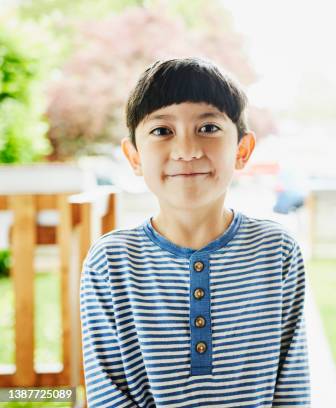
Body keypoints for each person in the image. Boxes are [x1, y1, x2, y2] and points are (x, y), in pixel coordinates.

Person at [79, 57, 311, 407]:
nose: (186, 150)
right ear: (134, 157)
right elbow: (108, 395)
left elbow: (291, 390)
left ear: (242, 150)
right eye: (162, 131)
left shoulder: (277, 251)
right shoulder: (110, 262)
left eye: (208, 128)